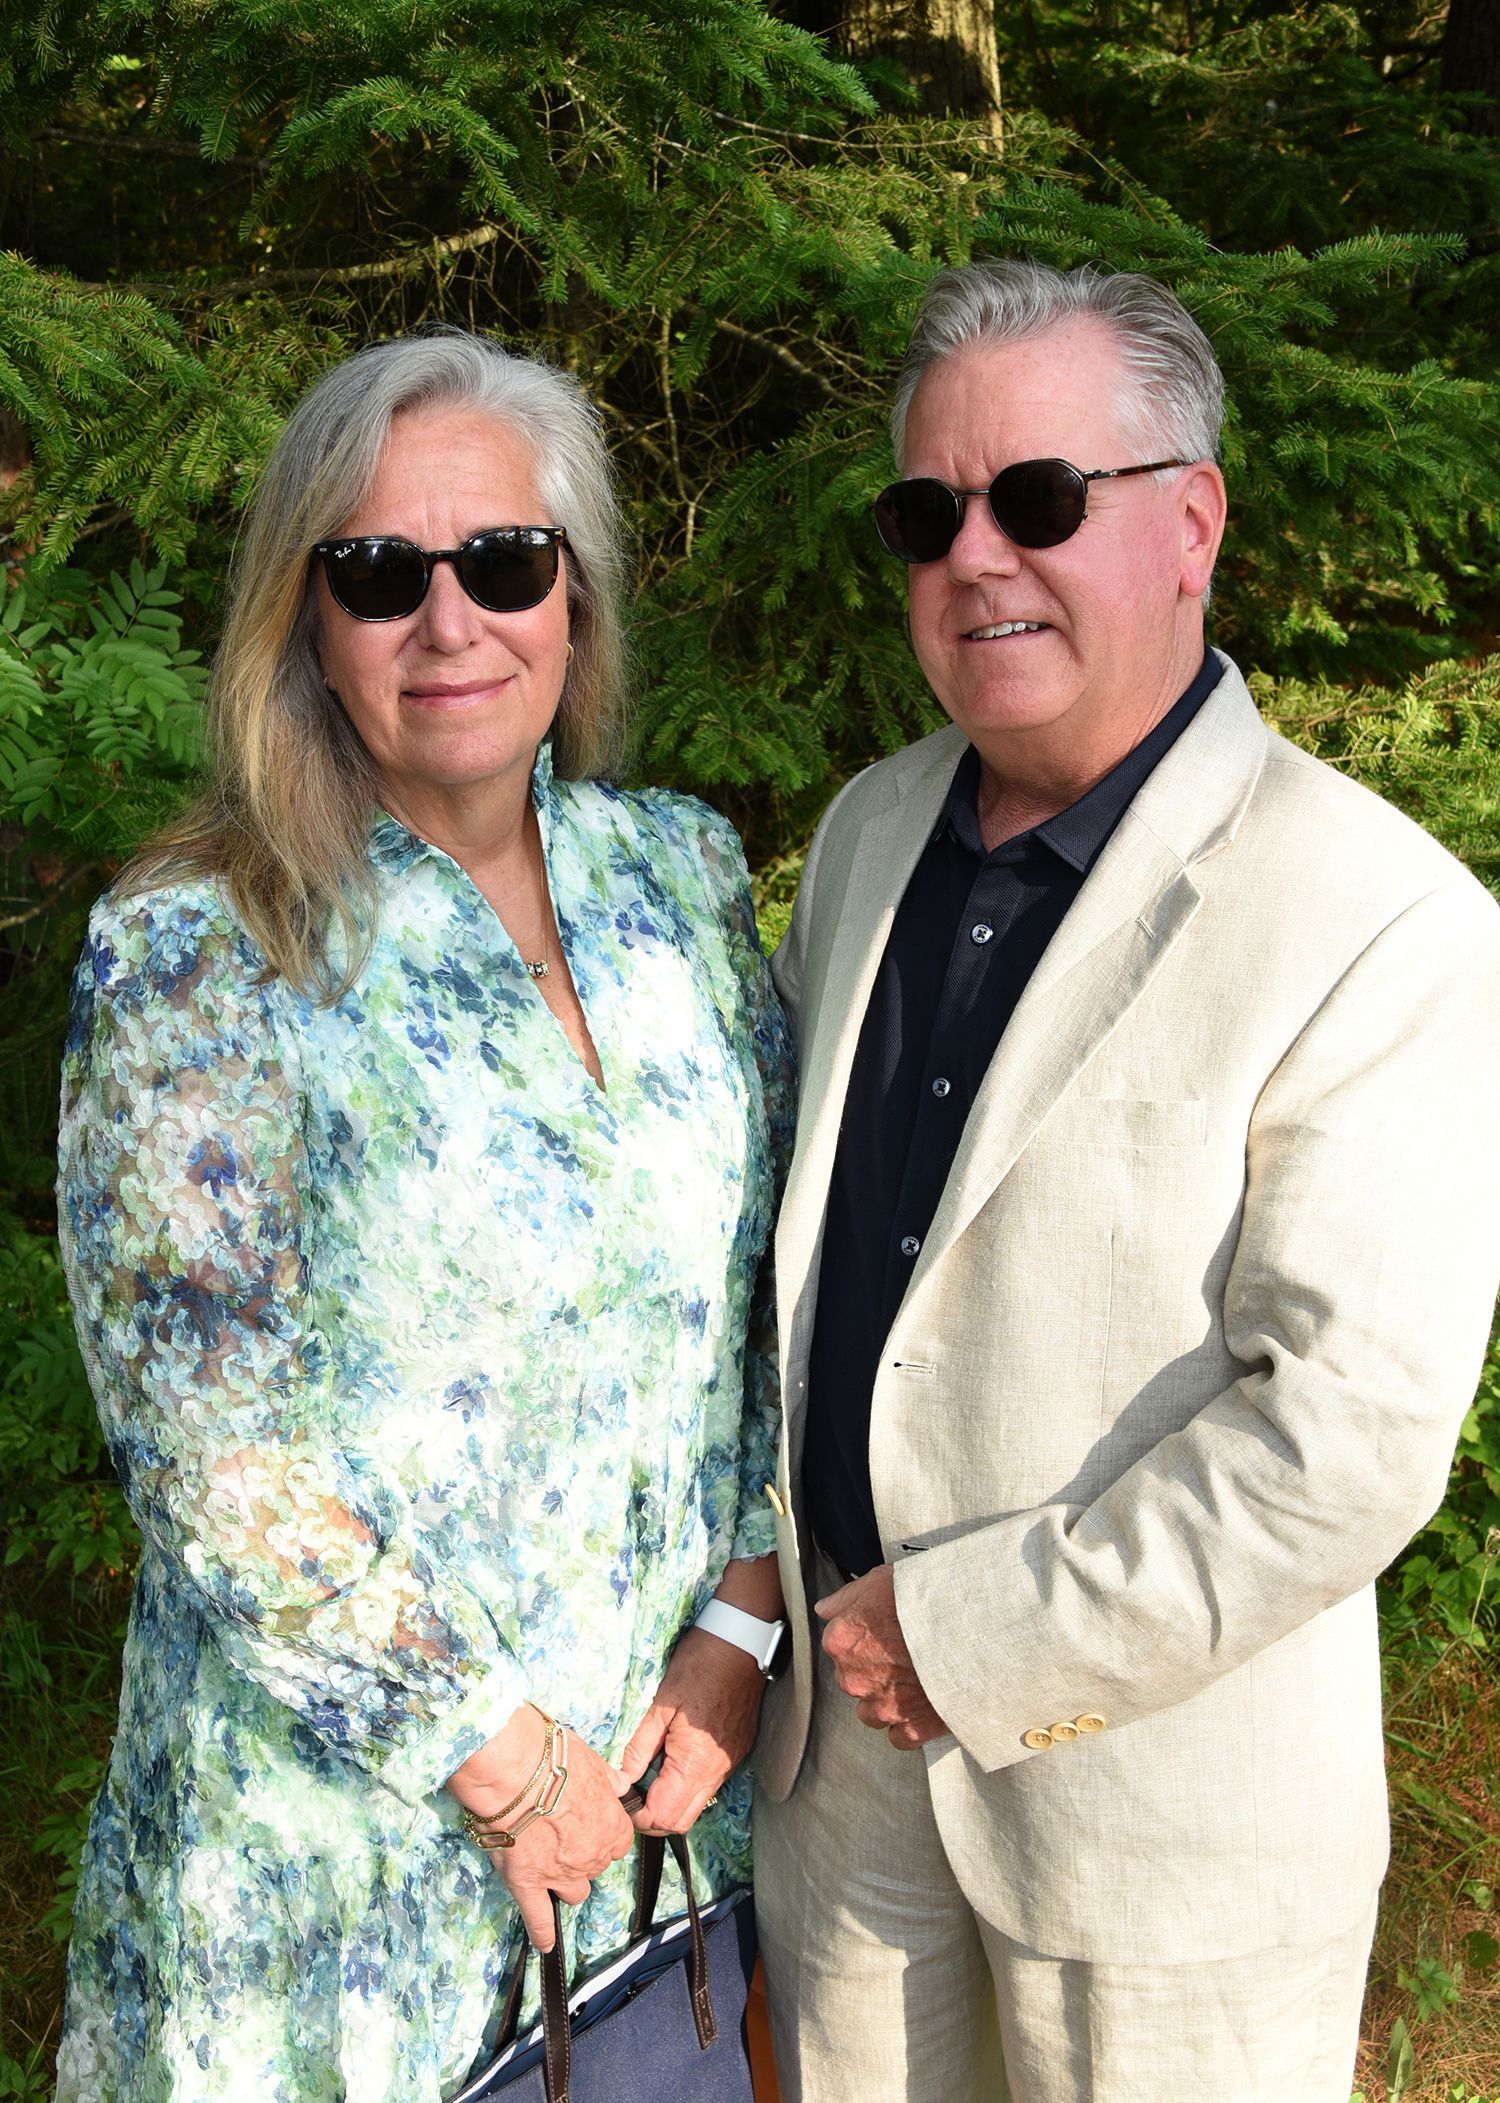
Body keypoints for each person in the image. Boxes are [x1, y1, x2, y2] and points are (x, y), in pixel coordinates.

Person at [751, 258, 1500, 2103]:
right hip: (841, 1789)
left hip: (1162, 1823)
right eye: (930, 514)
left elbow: (1348, 1435)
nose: (975, 559)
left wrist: (973, 1634)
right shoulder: (865, 830)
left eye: (1036, 500)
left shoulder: (1378, 917)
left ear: (1191, 524)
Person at [55, 330, 792, 2103]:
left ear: (576, 597)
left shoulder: (679, 879)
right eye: (380, 573)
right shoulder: (196, 953)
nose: (449, 622)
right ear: (303, 618)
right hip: (337, 1885)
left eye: (505, 563)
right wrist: (498, 1760)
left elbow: (780, 1284)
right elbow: (216, 1457)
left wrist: (750, 1608)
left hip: (656, 1834)